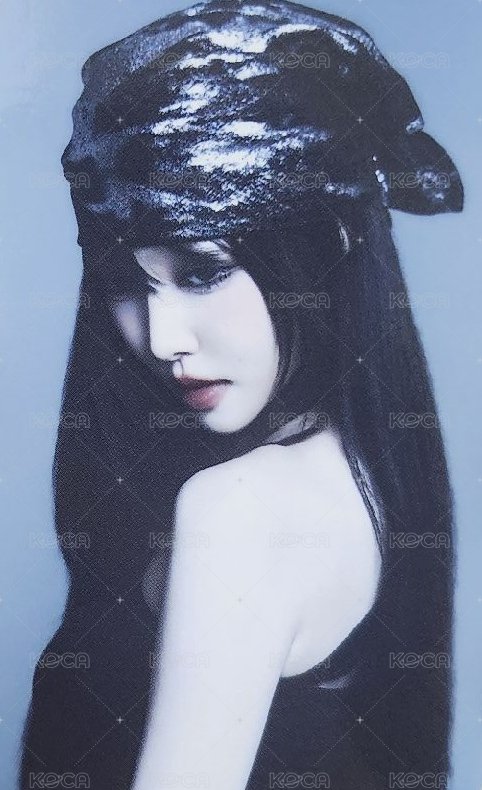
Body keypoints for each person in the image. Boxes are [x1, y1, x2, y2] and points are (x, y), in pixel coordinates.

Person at [18, 1, 463, 788]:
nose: (162, 339)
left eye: (202, 272)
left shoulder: (240, 510)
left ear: (326, 245)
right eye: (126, 284)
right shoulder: (363, 468)